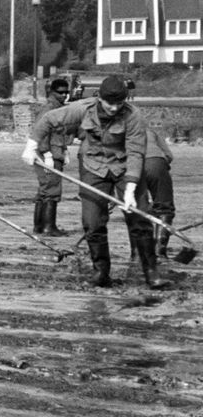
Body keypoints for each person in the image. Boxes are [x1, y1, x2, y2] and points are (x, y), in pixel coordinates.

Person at [25, 76, 157, 288]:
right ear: (99, 98)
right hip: (93, 168)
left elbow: (135, 152)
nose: (114, 108)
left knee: (140, 217)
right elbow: (48, 120)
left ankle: (151, 273)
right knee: (92, 222)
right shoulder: (82, 108)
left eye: (119, 103)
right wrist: (31, 145)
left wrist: (131, 188)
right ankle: (101, 273)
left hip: (125, 168)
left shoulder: (133, 116)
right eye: (109, 103)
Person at [31, 78, 71, 236]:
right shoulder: (49, 109)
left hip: (56, 152)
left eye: (66, 92)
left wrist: (65, 151)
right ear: (53, 92)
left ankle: (39, 226)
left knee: (45, 190)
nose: (64, 95)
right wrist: (46, 153)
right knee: (52, 190)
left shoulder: (59, 108)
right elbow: (40, 132)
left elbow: (60, 133)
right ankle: (49, 227)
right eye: (61, 92)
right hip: (48, 154)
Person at [144, 127, 177, 259]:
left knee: (135, 207)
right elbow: (169, 155)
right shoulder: (151, 131)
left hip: (128, 165)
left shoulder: (115, 130)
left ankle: (138, 252)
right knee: (164, 208)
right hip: (155, 162)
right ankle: (159, 250)